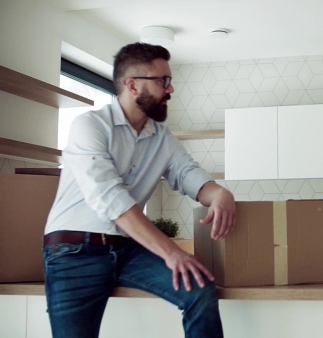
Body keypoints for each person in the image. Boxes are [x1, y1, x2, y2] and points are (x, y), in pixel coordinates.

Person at [43, 42, 235, 338]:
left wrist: (220, 194)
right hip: (73, 251)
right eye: (163, 81)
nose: (170, 89)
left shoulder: (162, 138)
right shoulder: (89, 126)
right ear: (132, 85)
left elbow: (187, 173)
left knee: (199, 291)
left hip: (126, 248)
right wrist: (171, 252)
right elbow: (111, 199)